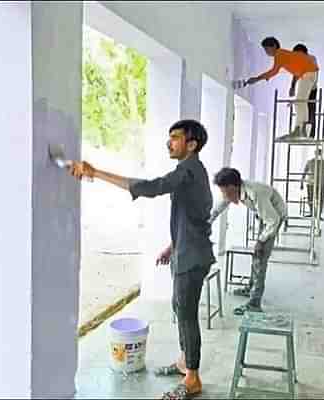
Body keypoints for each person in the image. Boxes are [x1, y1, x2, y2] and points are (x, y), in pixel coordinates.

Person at [68, 120, 215, 399]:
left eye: (175, 138)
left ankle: (193, 378)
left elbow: (151, 187)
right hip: (188, 251)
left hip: (192, 257)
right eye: (169, 137)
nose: (169, 142)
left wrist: (95, 172)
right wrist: (173, 246)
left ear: (192, 144)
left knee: (187, 314)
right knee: (179, 307)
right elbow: (195, 217)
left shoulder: (187, 171)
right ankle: (185, 362)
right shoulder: (194, 171)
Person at [209, 167, 287, 316]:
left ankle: (254, 302)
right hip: (265, 216)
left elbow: (273, 221)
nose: (224, 195)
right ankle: (251, 288)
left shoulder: (255, 193)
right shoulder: (235, 190)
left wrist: (261, 242)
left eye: (224, 192)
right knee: (256, 257)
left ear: (232, 187)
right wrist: (207, 222)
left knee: (260, 257)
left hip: (275, 217)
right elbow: (219, 207)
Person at [245, 37, 320, 142]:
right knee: (300, 102)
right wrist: (292, 86)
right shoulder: (282, 55)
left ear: (274, 46)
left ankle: (301, 130)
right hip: (308, 73)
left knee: (300, 102)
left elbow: (273, 71)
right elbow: (297, 70)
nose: (266, 52)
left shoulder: (279, 54)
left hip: (309, 73)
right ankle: (300, 129)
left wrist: (257, 78)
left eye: (267, 49)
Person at [290, 44, 318, 127]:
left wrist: (312, 85)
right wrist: (293, 87)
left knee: (310, 110)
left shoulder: (311, 59)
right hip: (305, 85)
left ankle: (308, 132)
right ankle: (300, 127)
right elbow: (296, 74)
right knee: (300, 105)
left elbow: (313, 75)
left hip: (312, 88)